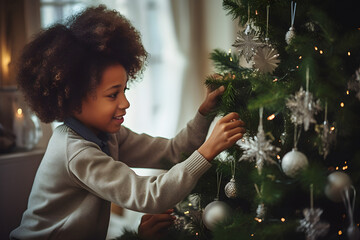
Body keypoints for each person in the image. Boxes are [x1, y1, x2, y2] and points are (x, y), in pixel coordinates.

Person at [10, 5, 245, 240]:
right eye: (113, 94)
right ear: (73, 100)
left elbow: (173, 152)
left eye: (125, 90)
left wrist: (204, 113)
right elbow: (149, 196)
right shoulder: (75, 152)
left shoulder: (108, 135)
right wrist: (208, 150)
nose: (125, 103)